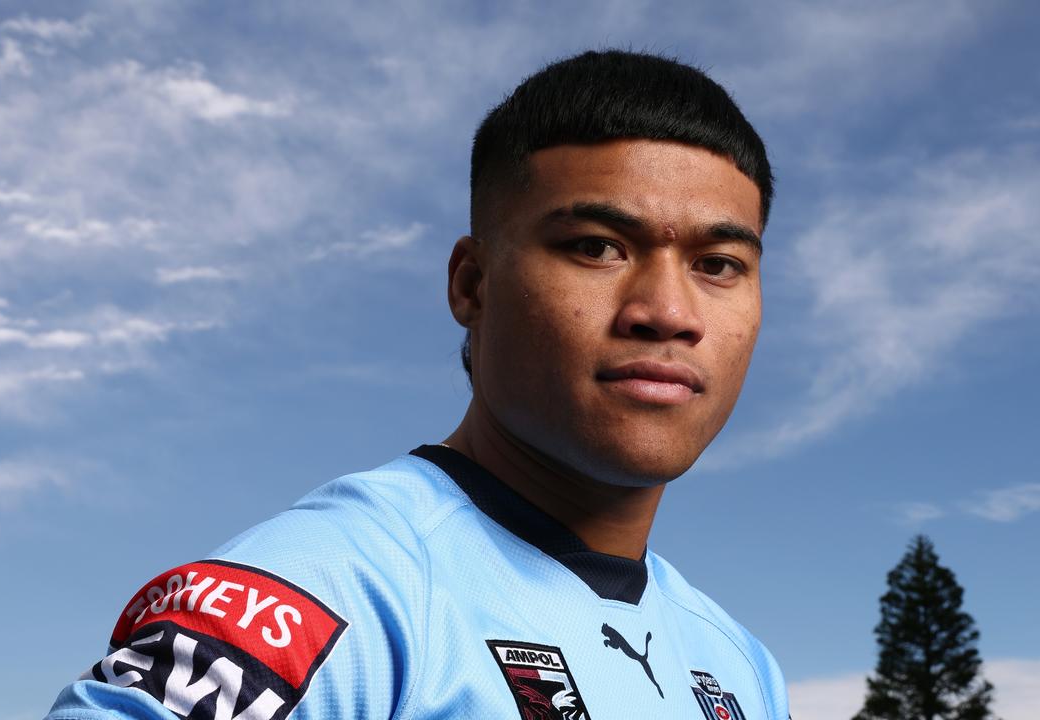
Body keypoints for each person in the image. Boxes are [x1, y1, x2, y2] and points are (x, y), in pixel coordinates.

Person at [47, 49, 789, 720]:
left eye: (718, 264)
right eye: (596, 248)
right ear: (472, 284)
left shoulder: (741, 668)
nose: (666, 313)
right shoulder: (335, 596)